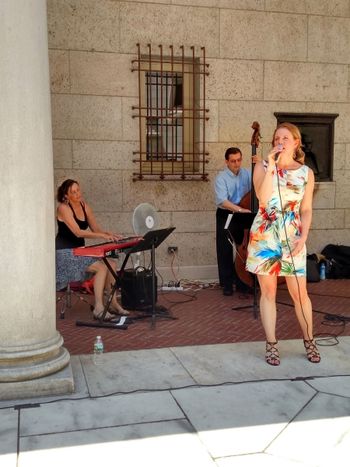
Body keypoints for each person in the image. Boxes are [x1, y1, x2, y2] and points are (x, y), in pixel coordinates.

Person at [246, 122, 320, 366]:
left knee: (300, 294)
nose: (281, 140)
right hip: (266, 236)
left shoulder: (306, 173)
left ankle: (309, 340)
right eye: (277, 137)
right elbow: (263, 199)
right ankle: (271, 344)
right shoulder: (262, 165)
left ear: (296, 142)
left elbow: (306, 208)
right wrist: (271, 167)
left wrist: (304, 236)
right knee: (268, 292)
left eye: (286, 137)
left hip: (293, 237)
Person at [55, 179, 128, 320]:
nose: (77, 194)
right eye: (73, 192)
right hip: (65, 253)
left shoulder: (84, 206)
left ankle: (112, 303)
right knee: (101, 267)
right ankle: (99, 308)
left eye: (78, 190)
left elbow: (96, 229)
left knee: (111, 264)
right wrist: (101, 235)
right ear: (66, 196)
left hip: (80, 251)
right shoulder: (63, 208)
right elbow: (78, 232)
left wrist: (109, 235)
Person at [214, 147, 253, 296]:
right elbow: (222, 201)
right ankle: (227, 284)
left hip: (243, 213)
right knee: (224, 248)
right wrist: (240, 209)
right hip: (226, 213)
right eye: (233, 161)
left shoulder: (247, 174)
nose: (236, 164)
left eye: (238, 160)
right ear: (226, 162)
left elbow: (258, 185)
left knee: (242, 248)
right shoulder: (221, 178)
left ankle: (242, 280)